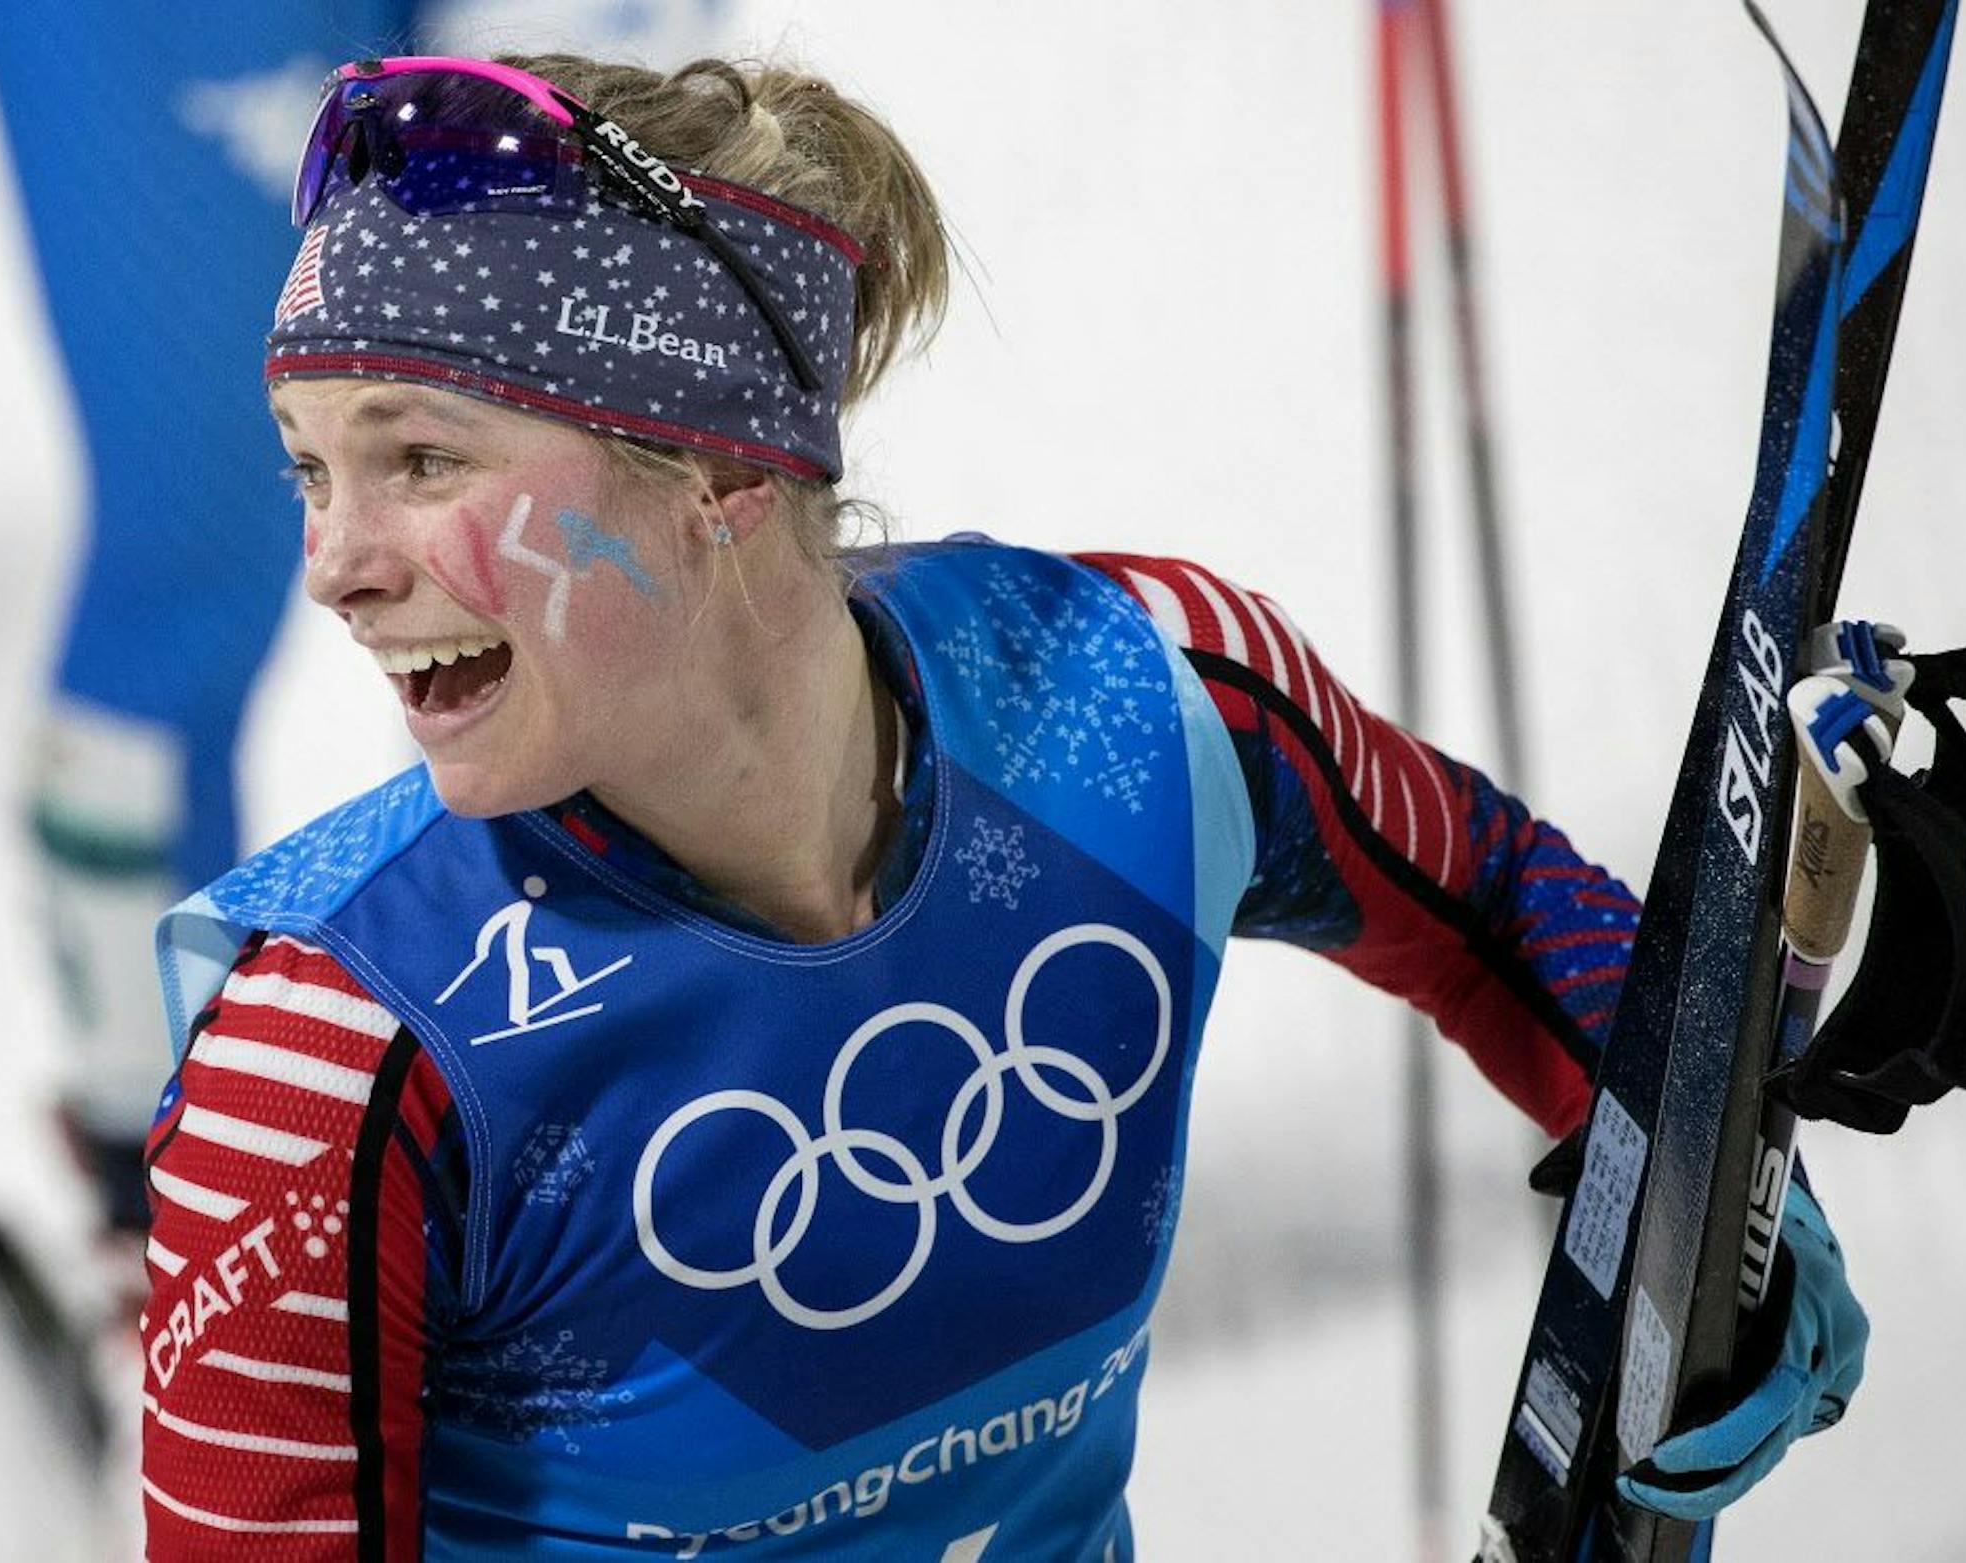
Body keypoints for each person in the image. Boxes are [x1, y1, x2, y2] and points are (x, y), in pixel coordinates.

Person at [137, 53, 1867, 1557]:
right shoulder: (340, 1062)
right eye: (310, 467)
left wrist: (1705, 1185)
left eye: (420, 458)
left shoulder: (1143, 695)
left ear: (726, 468)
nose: (332, 570)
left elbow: (1498, 908)